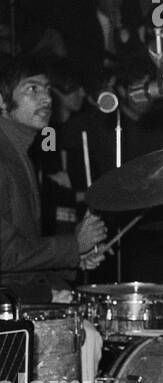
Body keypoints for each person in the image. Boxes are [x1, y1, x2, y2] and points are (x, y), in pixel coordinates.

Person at [0, 57, 108, 302]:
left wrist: (74, 256)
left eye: (48, 89)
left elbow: (20, 248)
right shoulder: (41, 136)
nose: (48, 98)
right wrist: (72, 245)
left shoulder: (23, 146)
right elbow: (5, 255)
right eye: (32, 89)